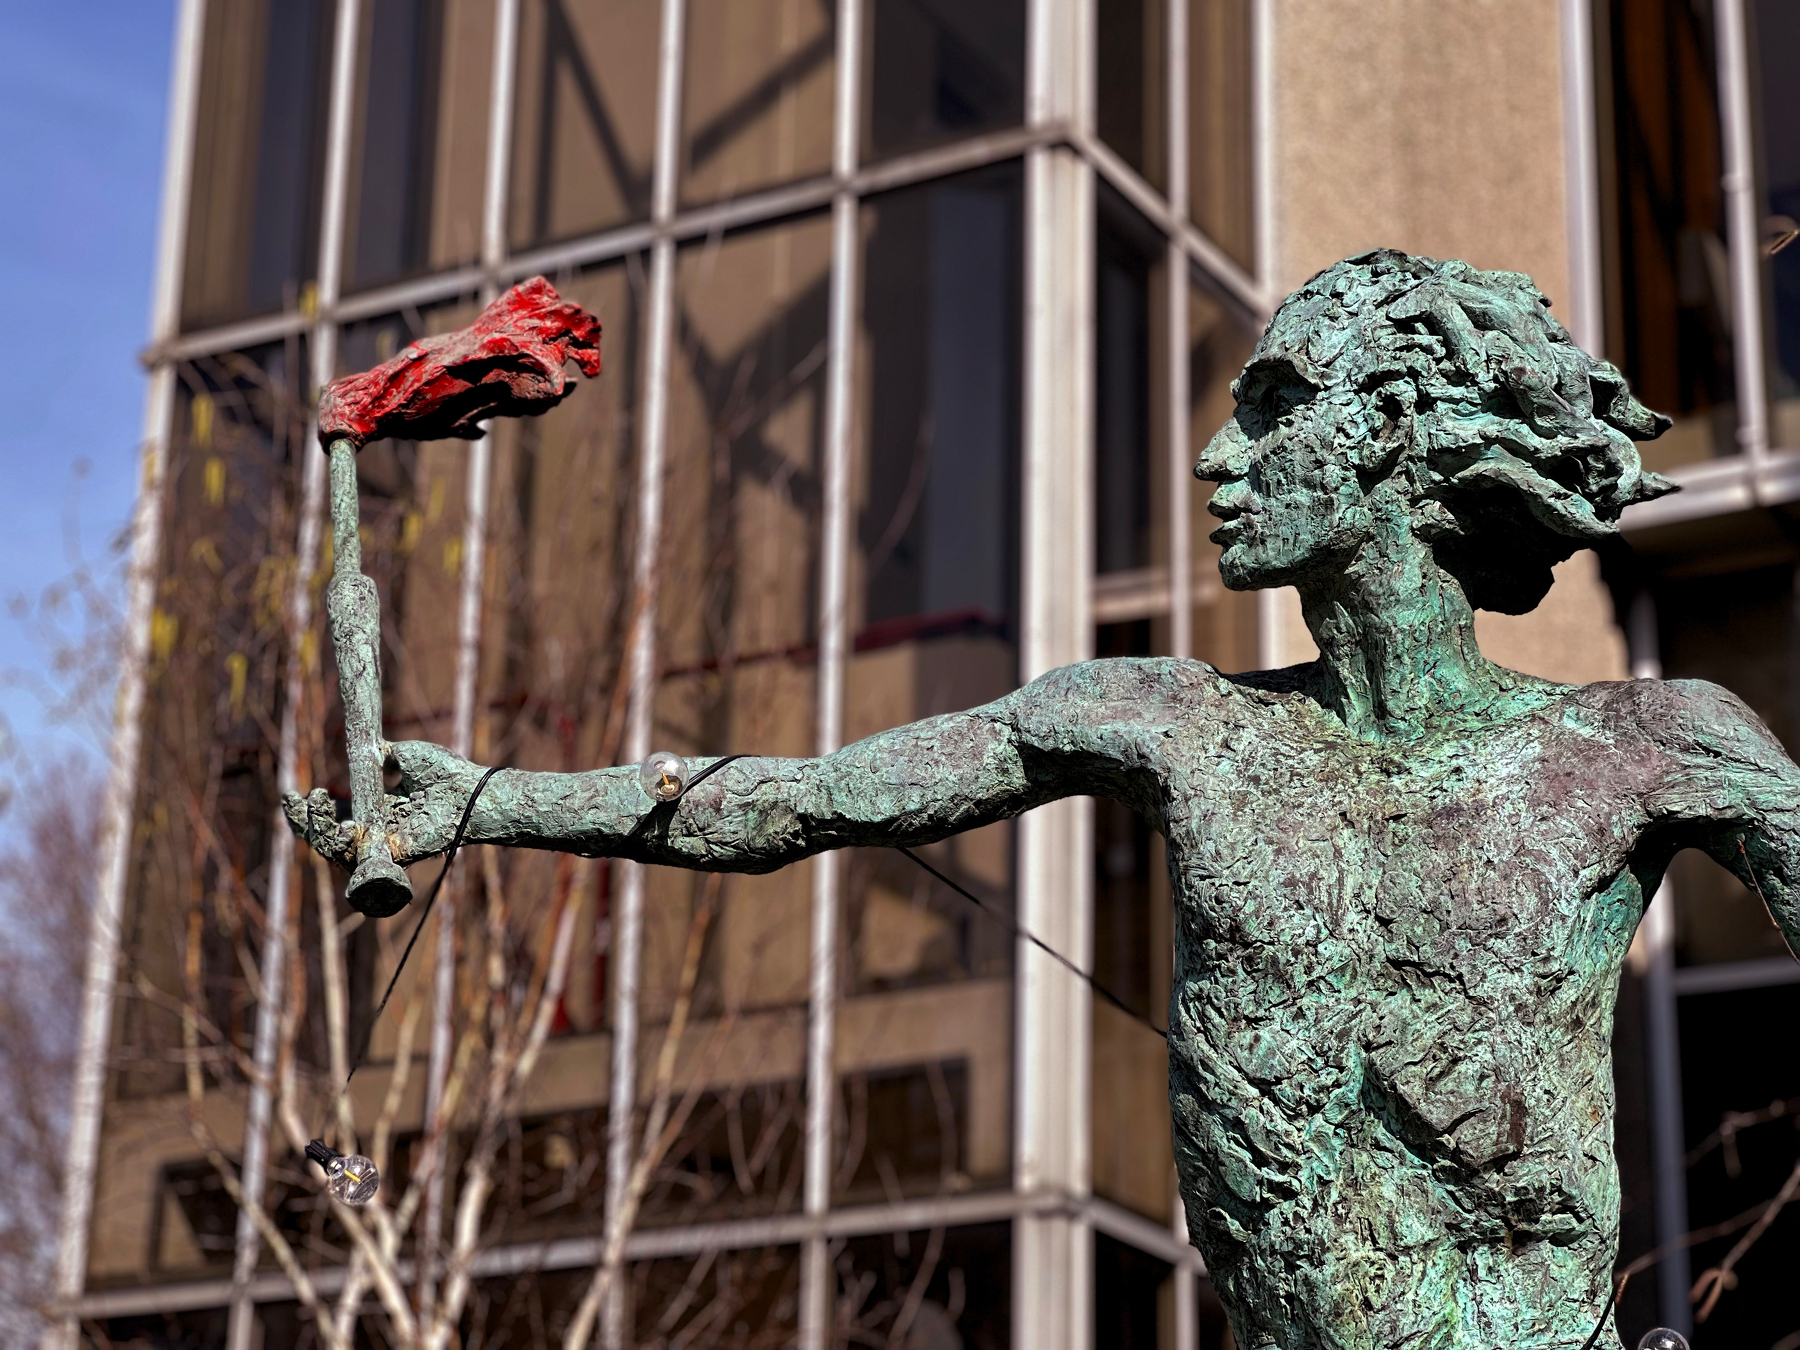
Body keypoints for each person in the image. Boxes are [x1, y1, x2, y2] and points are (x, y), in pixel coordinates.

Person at [288, 250, 1800, 1349]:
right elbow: (802, 802)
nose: (1220, 455)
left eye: (1273, 409)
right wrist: (487, 800)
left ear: (1400, 439)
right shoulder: (1160, 720)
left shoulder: (1647, 749)